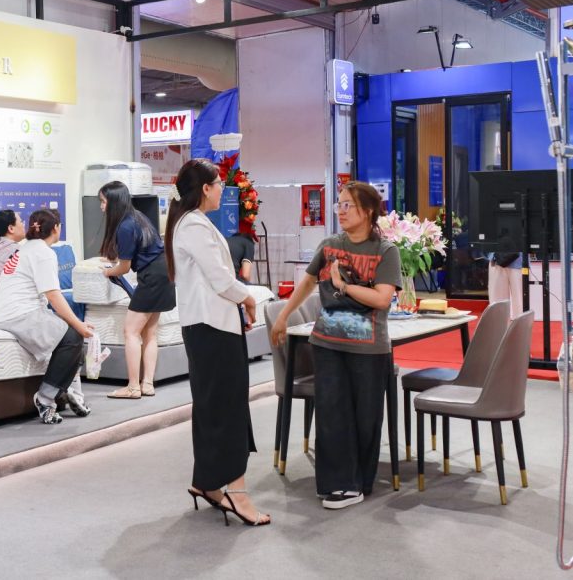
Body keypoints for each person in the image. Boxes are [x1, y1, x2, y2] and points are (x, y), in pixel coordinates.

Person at [269, 181, 400, 510]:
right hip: (327, 343)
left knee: (366, 416)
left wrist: (343, 285)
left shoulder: (385, 251)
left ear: (367, 211)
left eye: (347, 205)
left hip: (369, 348)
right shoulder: (329, 246)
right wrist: (283, 316)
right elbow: (308, 282)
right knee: (331, 413)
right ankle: (339, 483)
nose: (340, 211)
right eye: (338, 205)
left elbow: (382, 299)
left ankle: (359, 482)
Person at [165, 159, 270, 527]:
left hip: (210, 328)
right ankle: (237, 493)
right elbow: (221, 279)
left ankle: (207, 482)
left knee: (213, 407)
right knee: (227, 409)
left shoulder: (190, 223)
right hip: (213, 329)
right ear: (205, 189)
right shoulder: (193, 225)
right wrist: (249, 297)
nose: (223, 190)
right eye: (218, 184)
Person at [0, 209, 94, 424]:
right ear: (56, 228)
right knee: (73, 337)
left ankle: (70, 392)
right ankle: (45, 398)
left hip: (4, 313)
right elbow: (54, 296)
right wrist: (79, 324)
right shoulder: (44, 253)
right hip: (20, 314)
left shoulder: (25, 248)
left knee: (68, 334)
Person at [97, 181, 176, 399]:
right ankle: (147, 384)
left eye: (103, 202)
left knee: (130, 331)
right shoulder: (138, 217)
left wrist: (108, 272)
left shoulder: (124, 226)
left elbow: (124, 267)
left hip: (152, 277)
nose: (101, 206)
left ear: (114, 202)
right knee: (150, 333)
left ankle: (133, 387)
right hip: (165, 272)